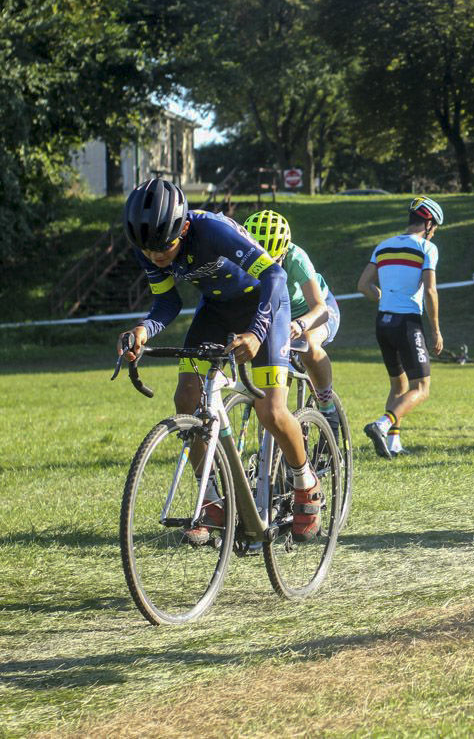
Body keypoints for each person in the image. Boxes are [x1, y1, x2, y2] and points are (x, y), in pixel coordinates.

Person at [116, 178, 324, 543]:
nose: (157, 257)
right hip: (216, 311)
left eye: (164, 247)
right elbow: (168, 303)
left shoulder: (211, 229)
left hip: (264, 307)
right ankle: (212, 501)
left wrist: (258, 332)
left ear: (182, 227)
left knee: (271, 412)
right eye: (148, 251)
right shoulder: (147, 245)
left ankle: (306, 484)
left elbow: (274, 275)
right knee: (186, 400)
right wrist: (145, 330)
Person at [357, 197, 444, 458]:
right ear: (428, 223)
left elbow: (363, 285)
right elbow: (429, 291)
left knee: (398, 386)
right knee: (421, 388)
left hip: (382, 322)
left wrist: (382, 296)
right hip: (407, 323)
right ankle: (381, 425)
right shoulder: (427, 248)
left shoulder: (383, 246)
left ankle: (393, 444)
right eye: (436, 226)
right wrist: (436, 330)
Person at [242, 210, 342, 437]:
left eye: (274, 261)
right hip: (279, 317)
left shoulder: (296, 258)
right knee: (270, 401)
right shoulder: (240, 256)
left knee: (308, 345)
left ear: (284, 252)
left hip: (315, 313)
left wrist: (300, 325)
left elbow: (320, 309)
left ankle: (327, 408)